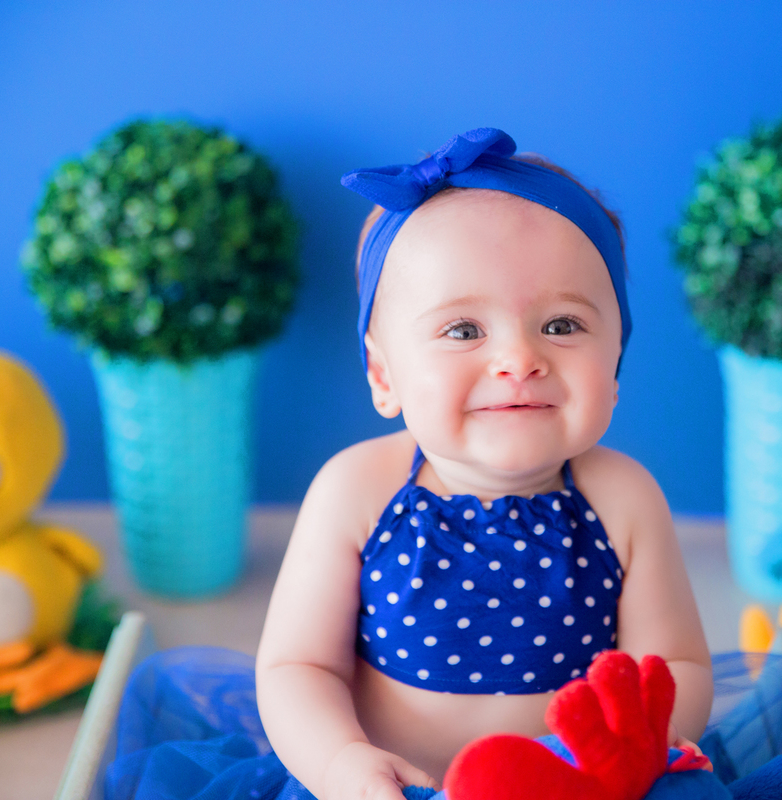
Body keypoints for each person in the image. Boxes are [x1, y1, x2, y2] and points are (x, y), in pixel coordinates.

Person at [255, 128, 713, 800]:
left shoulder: (623, 501)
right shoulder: (356, 492)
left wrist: (633, 752)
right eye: (463, 331)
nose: (519, 360)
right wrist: (339, 764)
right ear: (384, 376)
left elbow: (676, 666)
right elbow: (298, 666)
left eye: (562, 325)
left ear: (615, 364)